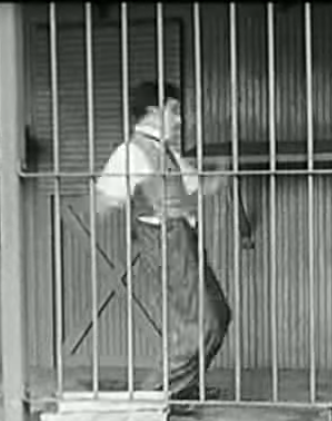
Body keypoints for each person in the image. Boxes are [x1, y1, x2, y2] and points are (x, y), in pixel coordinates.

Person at [94, 81, 231, 399]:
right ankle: (152, 396)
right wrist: (142, 209)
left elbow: (195, 188)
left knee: (218, 314)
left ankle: (181, 388)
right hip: (166, 239)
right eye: (174, 110)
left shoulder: (165, 152)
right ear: (153, 111)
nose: (179, 119)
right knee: (202, 323)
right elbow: (104, 201)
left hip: (184, 237)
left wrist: (223, 172)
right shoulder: (131, 152)